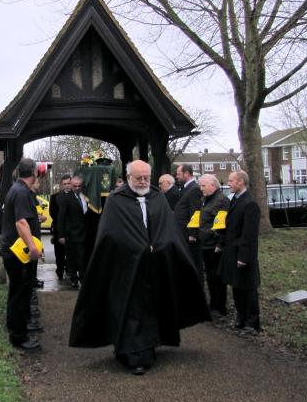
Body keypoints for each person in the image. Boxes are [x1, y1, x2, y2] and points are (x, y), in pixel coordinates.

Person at [69, 160, 211, 375]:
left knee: (151, 306)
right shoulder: (117, 200)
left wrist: (159, 245)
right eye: (139, 178)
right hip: (125, 267)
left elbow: (167, 228)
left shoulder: (156, 197)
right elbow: (110, 234)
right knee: (130, 308)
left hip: (153, 266)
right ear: (128, 178)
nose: (143, 181)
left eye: (146, 177)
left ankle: (148, 348)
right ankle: (131, 352)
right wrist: (138, 247)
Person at [0, 158, 42, 350]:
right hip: (18, 253)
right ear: (33, 173)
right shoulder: (22, 192)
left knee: (19, 292)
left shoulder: (17, 189)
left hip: (14, 251)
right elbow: (21, 223)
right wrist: (33, 248)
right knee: (18, 293)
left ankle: (20, 329)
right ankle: (18, 337)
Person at [217, 170, 261, 334]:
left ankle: (252, 323)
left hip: (242, 253)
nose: (228, 184)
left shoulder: (250, 203)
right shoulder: (235, 200)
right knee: (236, 286)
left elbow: (249, 234)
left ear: (241, 181)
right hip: (232, 250)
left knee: (248, 288)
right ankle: (241, 319)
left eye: (231, 181)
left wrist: (244, 256)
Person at [197, 174, 230, 317]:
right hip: (206, 245)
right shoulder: (207, 200)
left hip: (214, 246)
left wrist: (219, 243)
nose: (201, 188)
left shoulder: (221, 201)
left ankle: (220, 306)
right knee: (210, 276)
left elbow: (223, 225)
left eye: (203, 186)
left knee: (217, 277)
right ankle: (213, 304)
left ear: (213, 185)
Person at [174, 164, 203, 284]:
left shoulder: (194, 189)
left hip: (189, 235)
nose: (177, 177)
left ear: (186, 174)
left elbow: (195, 212)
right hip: (183, 233)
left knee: (194, 263)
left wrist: (193, 234)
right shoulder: (186, 188)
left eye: (179, 174)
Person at [58, 175, 89, 288]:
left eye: (79, 186)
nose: (76, 188)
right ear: (71, 185)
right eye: (74, 186)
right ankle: (74, 278)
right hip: (71, 233)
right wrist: (61, 235)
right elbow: (61, 217)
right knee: (71, 257)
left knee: (82, 257)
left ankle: (82, 277)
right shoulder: (66, 198)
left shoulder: (86, 196)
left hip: (84, 233)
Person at [49, 175, 71, 280]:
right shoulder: (54, 197)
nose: (67, 186)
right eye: (65, 184)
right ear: (61, 185)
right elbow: (52, 213)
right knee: (59, 253)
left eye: (68, 183)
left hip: (71, 230)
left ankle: (69, 268)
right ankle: (60, 270)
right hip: (58, 229)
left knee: (70, 252)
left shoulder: (75, 196)